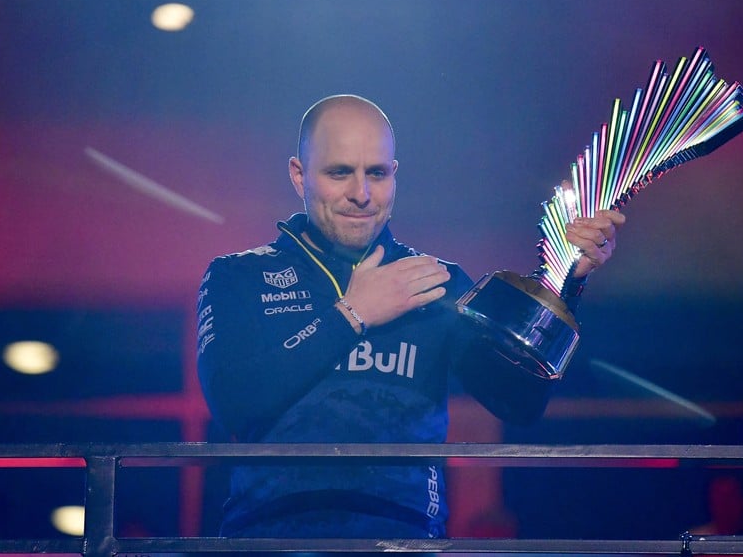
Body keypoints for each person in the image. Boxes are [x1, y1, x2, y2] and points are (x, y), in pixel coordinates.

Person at [196, 94, 625, 539]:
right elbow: (233, 403)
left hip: (404, 543)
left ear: (394, 175)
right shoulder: (238, 275)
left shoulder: (436, 280)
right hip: (267, 543)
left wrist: (566, 282)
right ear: (298, 175)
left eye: (376, 173)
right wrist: (353, 314)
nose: (360, 194)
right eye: (339, 171)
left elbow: (517, 402)